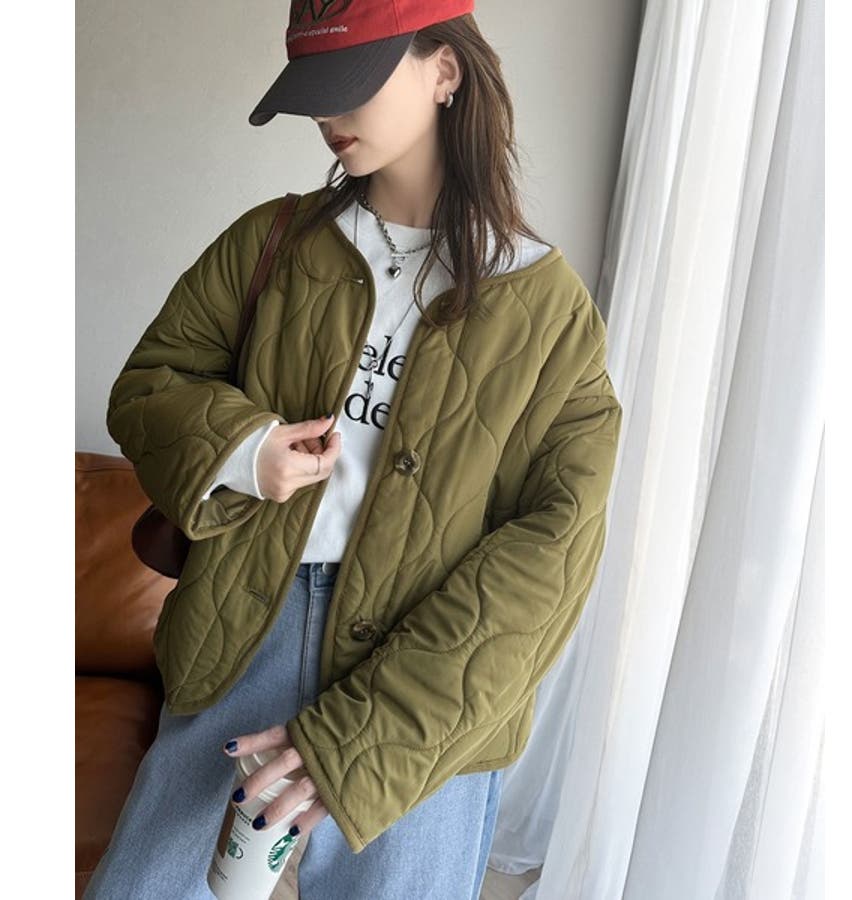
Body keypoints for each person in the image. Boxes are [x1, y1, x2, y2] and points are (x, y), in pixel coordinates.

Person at [84, 1, 623, 898]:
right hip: (243, 624)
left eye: (353, 83)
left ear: (445, 70)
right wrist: (245, 447)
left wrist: (371, 736)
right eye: (316, 87)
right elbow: (150, 383)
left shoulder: (547, 309)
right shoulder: (273, 244)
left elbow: (555, 545)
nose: (328, 115)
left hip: (428, 661)